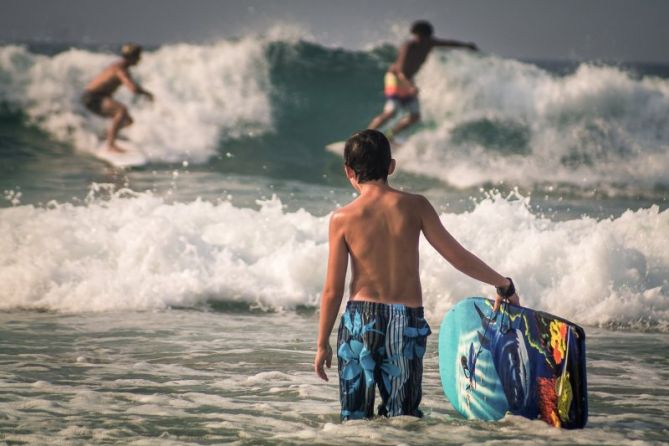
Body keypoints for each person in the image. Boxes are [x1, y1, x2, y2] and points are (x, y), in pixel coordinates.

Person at [314, 129, 519, 420]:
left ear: (348, 170)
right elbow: (456, 256)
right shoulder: (416, 205)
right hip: (404, 320)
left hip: (360, 320)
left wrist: (322, 344)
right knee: (403, 419)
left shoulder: (342, 218)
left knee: (355, 419)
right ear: (391, 166)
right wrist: (502, 284)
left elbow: (332, 290)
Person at [367, 20, 478, 141]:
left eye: (420, 36)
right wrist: (410, 86)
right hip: (395, 78)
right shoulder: (409, 46)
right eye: (416, 35)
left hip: (408, 80)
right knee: (391, 111)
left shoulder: (430, 43)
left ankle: (389, 136)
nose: (417, 38)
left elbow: (449, 43)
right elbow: (400, 71)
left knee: (415, 116)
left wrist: (466, 45)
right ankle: (365, 135)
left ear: (427, 36)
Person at [81, 43, 154, 152]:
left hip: (96, 96)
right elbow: (132, 88)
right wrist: (147, 94)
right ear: (132, 57)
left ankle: (105, 136)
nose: (140, 59)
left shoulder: (119, 66)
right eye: (138, 56)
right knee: (121, 111)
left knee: (128, 121)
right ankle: (111, 145)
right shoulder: (121, 69)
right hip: (92, 97)